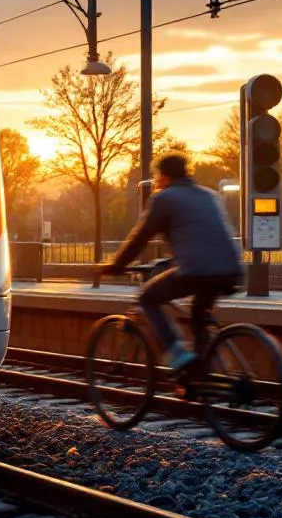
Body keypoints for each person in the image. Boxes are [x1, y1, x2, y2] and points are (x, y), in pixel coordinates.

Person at [99, 154, 244, 371]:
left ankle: (178, 354)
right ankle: (201, 375)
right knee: (199, 317)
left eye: (157, 177)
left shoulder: (164, 198)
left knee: (148, 297)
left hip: (197, 269)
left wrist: (116, 265)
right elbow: (203, 236)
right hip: (232, 268)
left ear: (164, 176)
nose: (156, 182)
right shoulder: (209, 194)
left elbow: (140, 238)